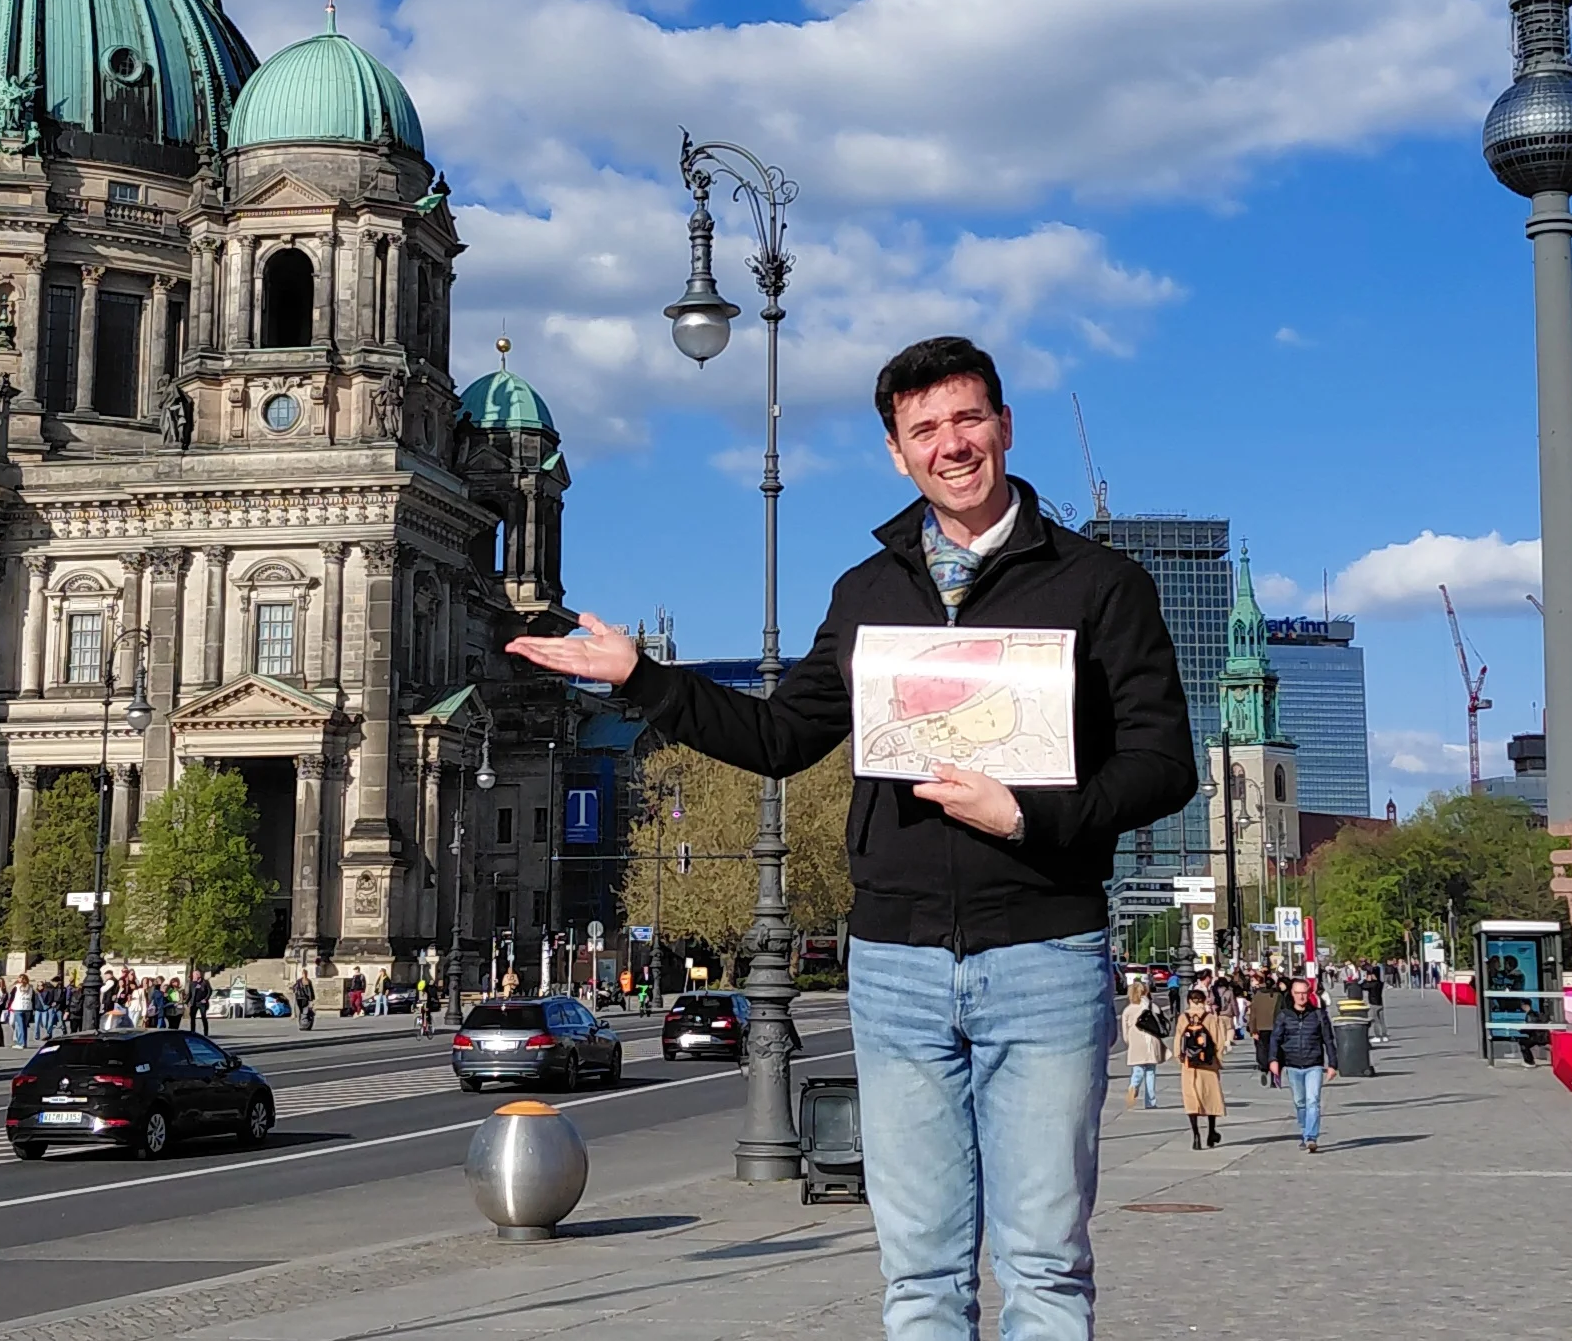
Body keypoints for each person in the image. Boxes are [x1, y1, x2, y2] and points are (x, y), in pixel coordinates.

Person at [509, 336, 1195, 1341]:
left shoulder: (1100, 584)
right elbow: (780, 734)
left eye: (967, 419)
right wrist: (642, 677)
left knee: (1045, 1260)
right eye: (925, 429)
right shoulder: (867, 592)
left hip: (1045, 950)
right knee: (918, 1270)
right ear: (895, 451)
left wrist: (1028, 815)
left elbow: (1163, 762)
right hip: (896, 963)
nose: (950, 444)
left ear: (1004, 425)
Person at [1266, 976, 1339, 1152]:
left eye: (1304, 993)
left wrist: (1333, 1064)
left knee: (1312, 1100)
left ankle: (1310, 1137)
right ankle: (1305, 1130)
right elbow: (1275, 1039)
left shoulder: (1319, 1015)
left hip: (1313, 1063)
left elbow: (1328, 1040)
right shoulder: (1284, 1015)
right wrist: (1273, 1060)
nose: (1301, 997)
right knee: (1300, 1102)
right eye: (1297, 993)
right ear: (1292, 994)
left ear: (1309, 994)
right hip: (1292, 1064)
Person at [1175, 988, 1229, 1149]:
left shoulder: (1183, 1018)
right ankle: (1211, 1131)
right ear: (1204, 1000)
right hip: (1208, 1065)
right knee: (1210, 1097)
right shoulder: (1211, 1018)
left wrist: (1181, 1059)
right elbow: (1219, 1041)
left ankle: (1196, 1135)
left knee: (1191, 1099)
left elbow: (1178, 1042)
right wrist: (1218, 1061)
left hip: (1189, 1066)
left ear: (1188, 1001)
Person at [1121, 976, 1166, 1112]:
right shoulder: (1151, 1006)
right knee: (1151, 1071)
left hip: (1136, 1041)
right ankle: (1150, 1101)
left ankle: (1133, 1086)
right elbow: (1160, 1020)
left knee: (1138, 1069)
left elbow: (1125, 1032)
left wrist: (1129, 1042)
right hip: (1150, 1041)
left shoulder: (1128, 1010)